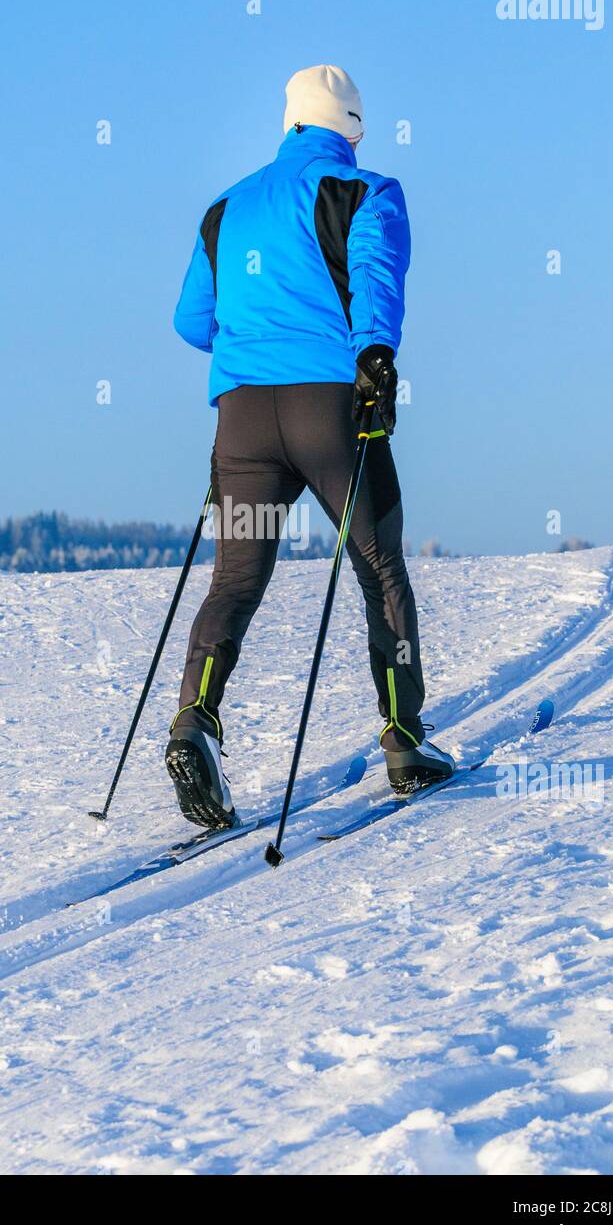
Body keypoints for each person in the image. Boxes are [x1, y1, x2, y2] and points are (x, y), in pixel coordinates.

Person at [165, 64, 454, 830]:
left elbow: (193, 323)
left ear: (289, 121)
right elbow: (374, 281)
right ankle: (402, 739)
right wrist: (374, 357)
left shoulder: (224, 209)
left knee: (233, 581)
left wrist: (254, 334)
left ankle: (194, 721)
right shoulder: (367, 193)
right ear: (351, 125)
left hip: (243, 423)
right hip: (329, 412)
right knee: (378, 566)